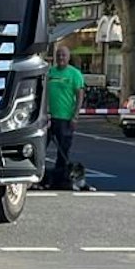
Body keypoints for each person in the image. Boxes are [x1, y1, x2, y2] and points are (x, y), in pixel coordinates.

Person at [44, 45, 84, 189]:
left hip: (65, 118)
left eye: (63, 55)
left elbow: (80, 96)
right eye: (59, 55)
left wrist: (75, 116)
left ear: (68, 57)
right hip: (48, 118)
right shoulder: (50, 73)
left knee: (63, 151)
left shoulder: (75, 74)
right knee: (40, 149)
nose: (61, 58)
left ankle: (60, 180)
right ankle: (41, 178)